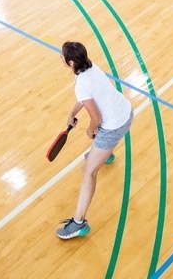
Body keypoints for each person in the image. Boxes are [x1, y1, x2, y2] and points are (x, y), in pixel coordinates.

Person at [56, 41, 133, 240]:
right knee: (101, 142)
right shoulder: (91, 66)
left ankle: (79, 223)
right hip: (126, 112)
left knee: (88, 172)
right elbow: (87, 98)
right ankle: (104, 155)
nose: (61, 58)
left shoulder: (81, 82)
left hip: (114, 126)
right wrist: (72, 112)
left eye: (63, 56)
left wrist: (90, 130)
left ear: (70, 62)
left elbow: (97, 119)